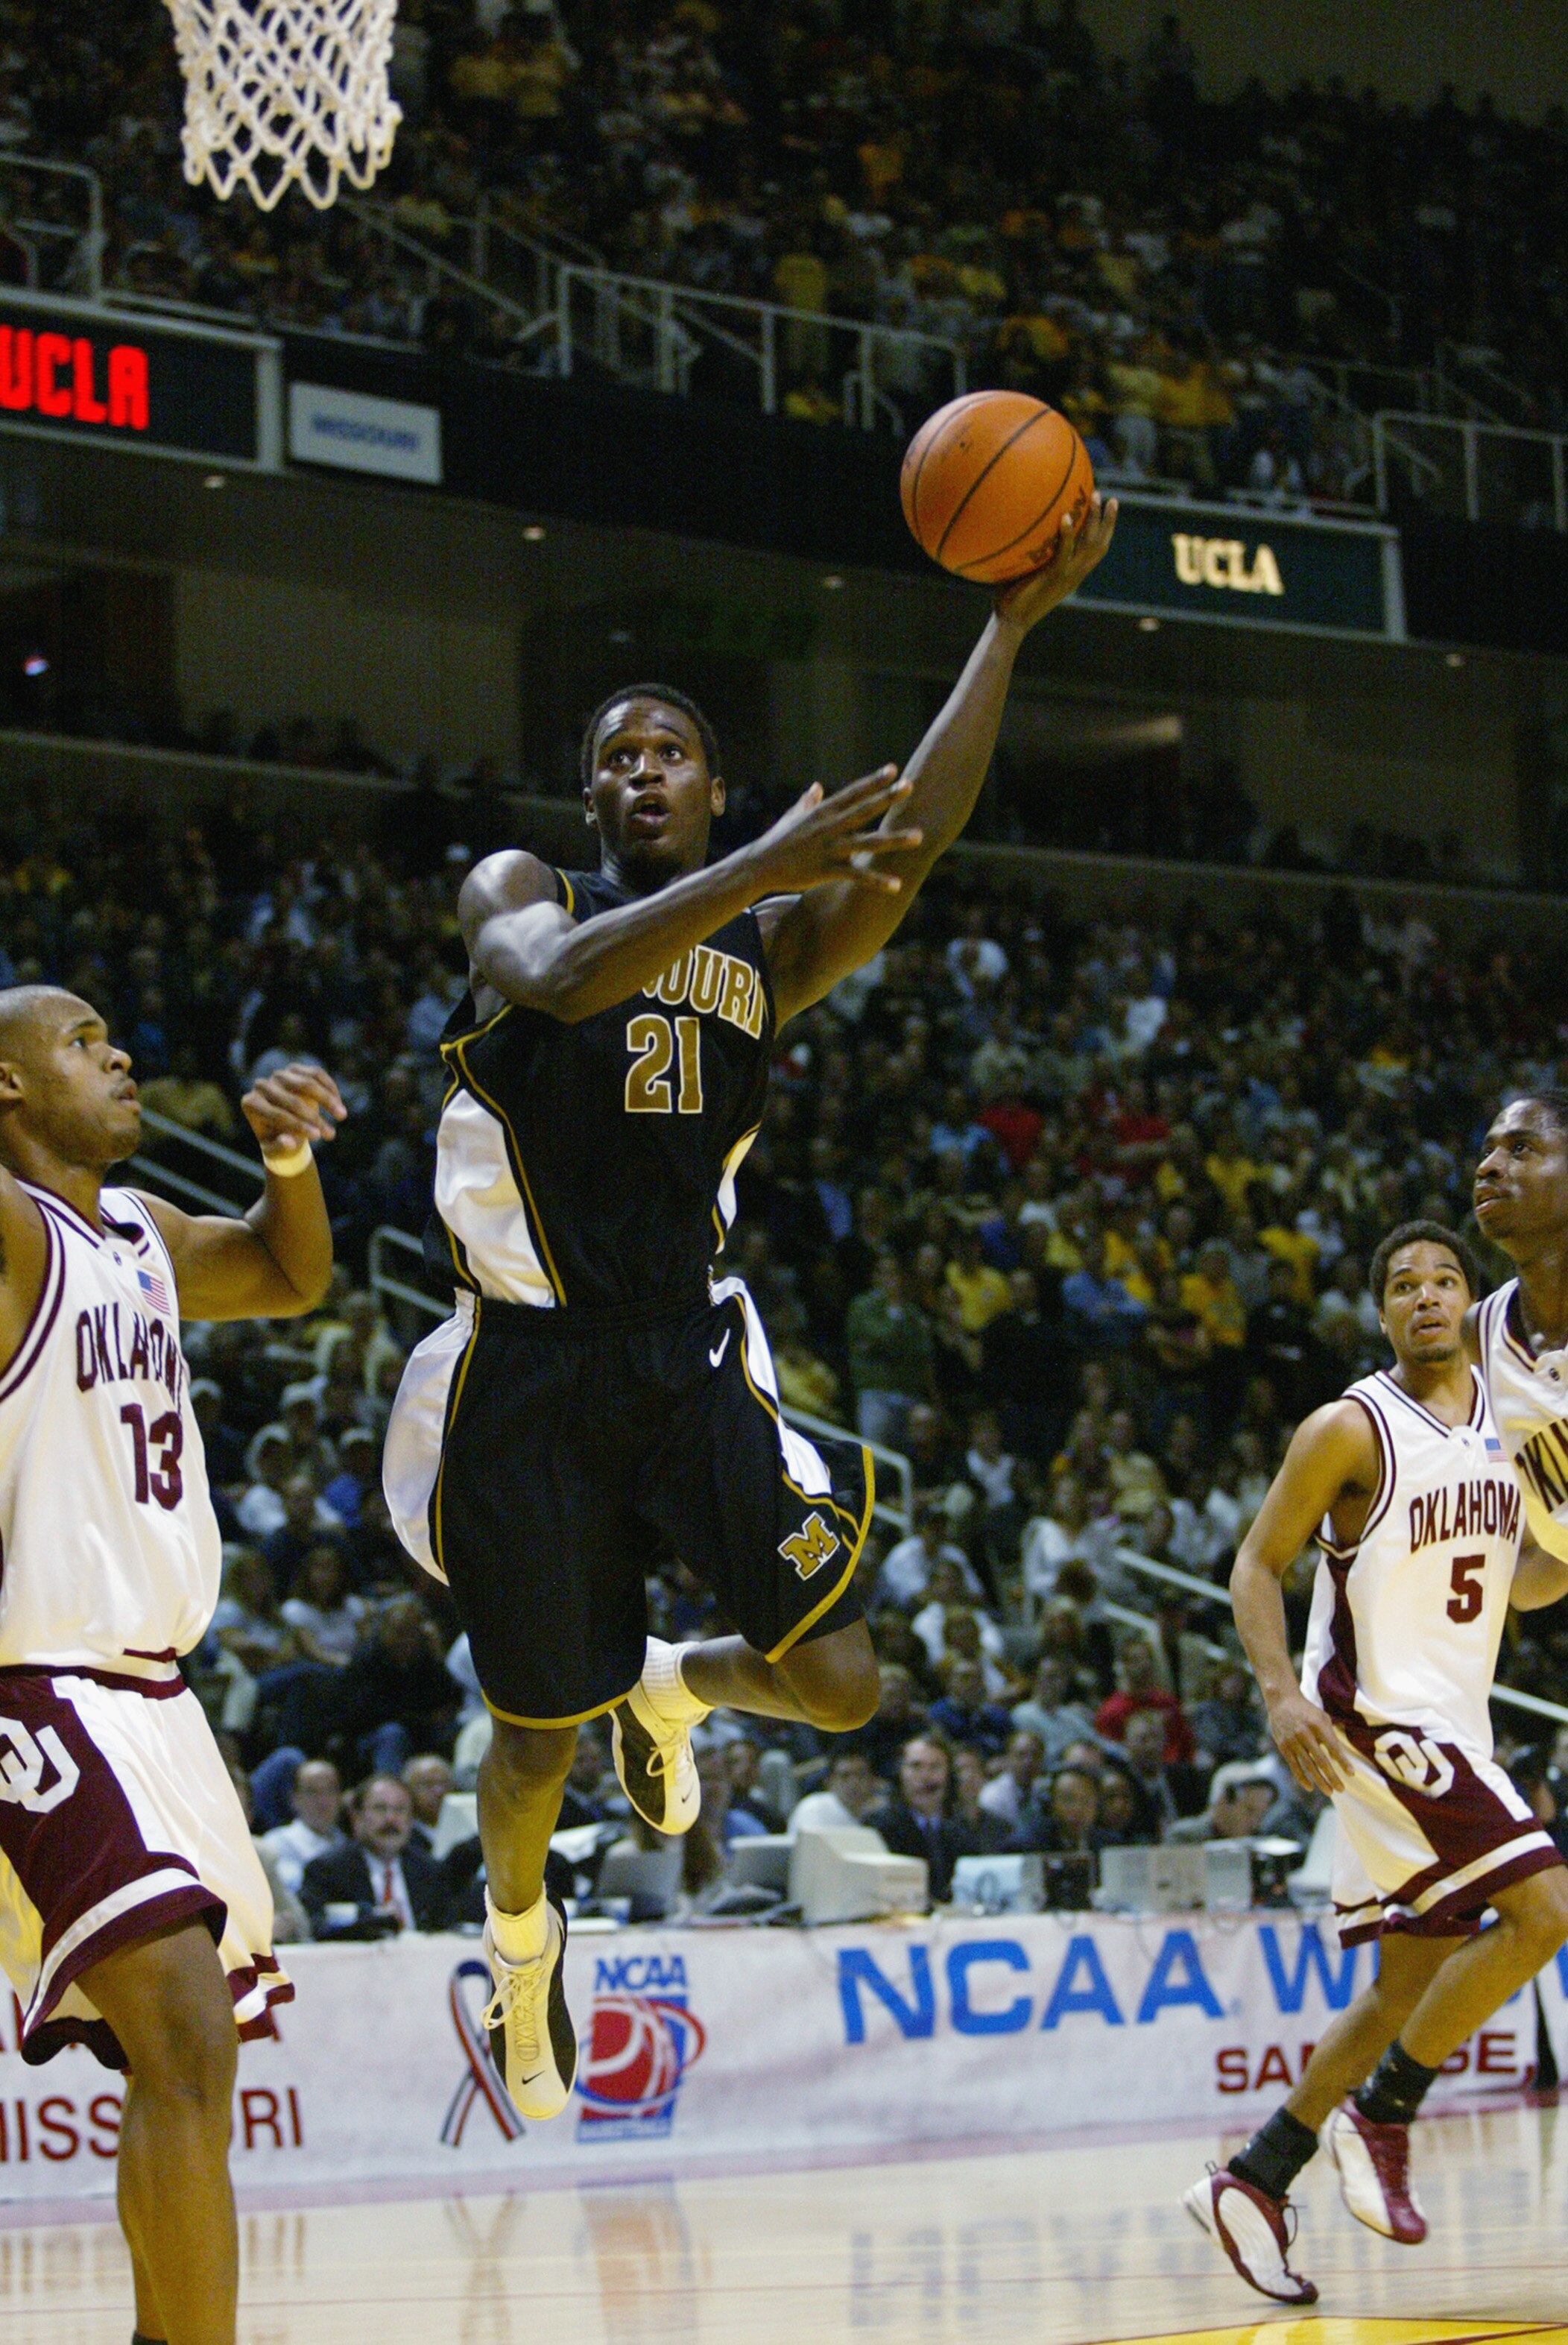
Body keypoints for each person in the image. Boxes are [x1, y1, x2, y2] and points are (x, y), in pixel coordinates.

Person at [382, 499, 1117, 2121]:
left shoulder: (766, 950)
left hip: (687, 1345)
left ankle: (683, 1679)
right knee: (528, 1746)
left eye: (671, 753)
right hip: (528, 1360)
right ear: (592, 794)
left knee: (843, 1679)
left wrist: (1005, 628)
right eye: (618, 755)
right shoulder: (524, 884)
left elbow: (909, 839)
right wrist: (758, 864)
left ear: (711, 782)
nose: (642, 771)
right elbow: (559, 978)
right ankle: (518, 1944)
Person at [0, 985, 344, 2345]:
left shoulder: (135, 1229)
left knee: (188, 2058)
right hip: (37, 1675)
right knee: (188, 2042)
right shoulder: (17, 1233)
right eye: (80, 1042)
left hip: (151, 1697)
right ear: (9, 1088)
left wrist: (288, 1160)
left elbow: (289, 1273)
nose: (123, 1051)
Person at [1186, 1222, 1568, 2305]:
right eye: (1404, 1284)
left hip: (1456, 1727)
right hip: (1375, 1721)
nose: (1429, 1296)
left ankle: (1257, 2177)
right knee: (1547, 1907)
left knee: (1406, 1982)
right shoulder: (1349, 1427)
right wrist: (1279, 1693)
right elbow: (1255, 1565)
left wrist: (1563, 1557)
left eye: (1447, 1279)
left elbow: (1515, 1581)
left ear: (1470, 1302)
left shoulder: (1505, 1432)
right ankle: (1387, 2111)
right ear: (1383, 1312)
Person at [300, 1773, 449, 1938]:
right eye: (380, 1808)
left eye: (400, 1810)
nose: (390, 1819)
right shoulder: (328, 1870)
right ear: (357, 1817)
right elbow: (319, 1928)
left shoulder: (429, 1869)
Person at [862, 1735, 982, 1903]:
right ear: (900, 1774)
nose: (925, 1776)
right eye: (915, 1766)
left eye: (935, 1767)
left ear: (949, 1776)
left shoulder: (960, 1831)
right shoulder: (878, 1827)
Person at [259, 1757, 346, 1895]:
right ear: (294, 1799)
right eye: (312, 1792)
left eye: (330, 1791)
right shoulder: (275, 1844)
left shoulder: (348, 1844)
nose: (323, 1801)